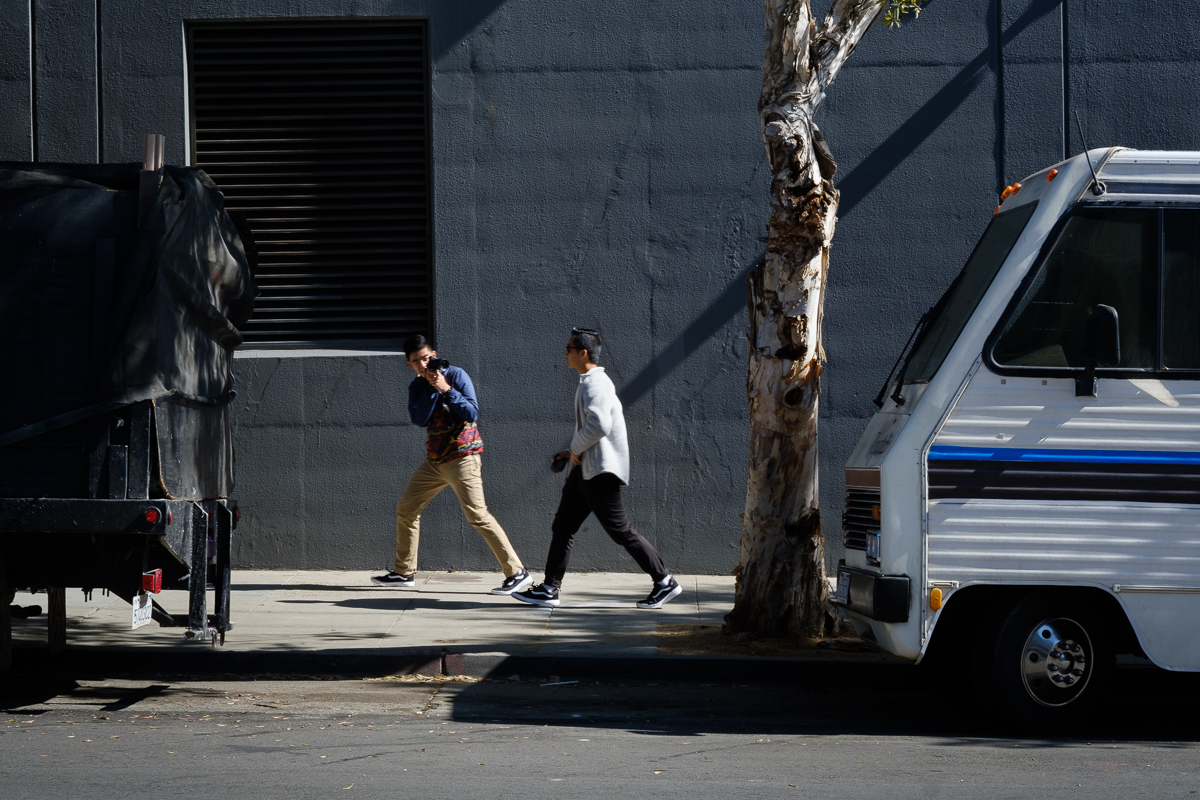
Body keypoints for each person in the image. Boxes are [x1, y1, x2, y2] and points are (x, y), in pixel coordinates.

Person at [513, 327, 681, 609]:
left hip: (599, 473)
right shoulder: (587, 382)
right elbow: (593, 427)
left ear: (583, 353)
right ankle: (549, 589)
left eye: (568, 349)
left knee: (620, 531)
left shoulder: (595, 383)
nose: (564, 354)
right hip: (584, 471)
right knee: (563, 527)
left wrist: (576, 447)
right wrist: (571, 452)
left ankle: (664, 582)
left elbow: (600, 425)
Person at [372, 335, 533, 595]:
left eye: (426, 358)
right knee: (407, 509)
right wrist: (431, 388)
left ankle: (517, 572)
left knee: (477, 515)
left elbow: (471, 412)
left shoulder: (456, 375)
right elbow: (420, 419)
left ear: (433, 353)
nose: (424, 365)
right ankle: (404, 573)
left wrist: (446, 388)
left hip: (462, 455)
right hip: (435, 461)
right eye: (417, 362)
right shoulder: (417, 386)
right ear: (409, 365)